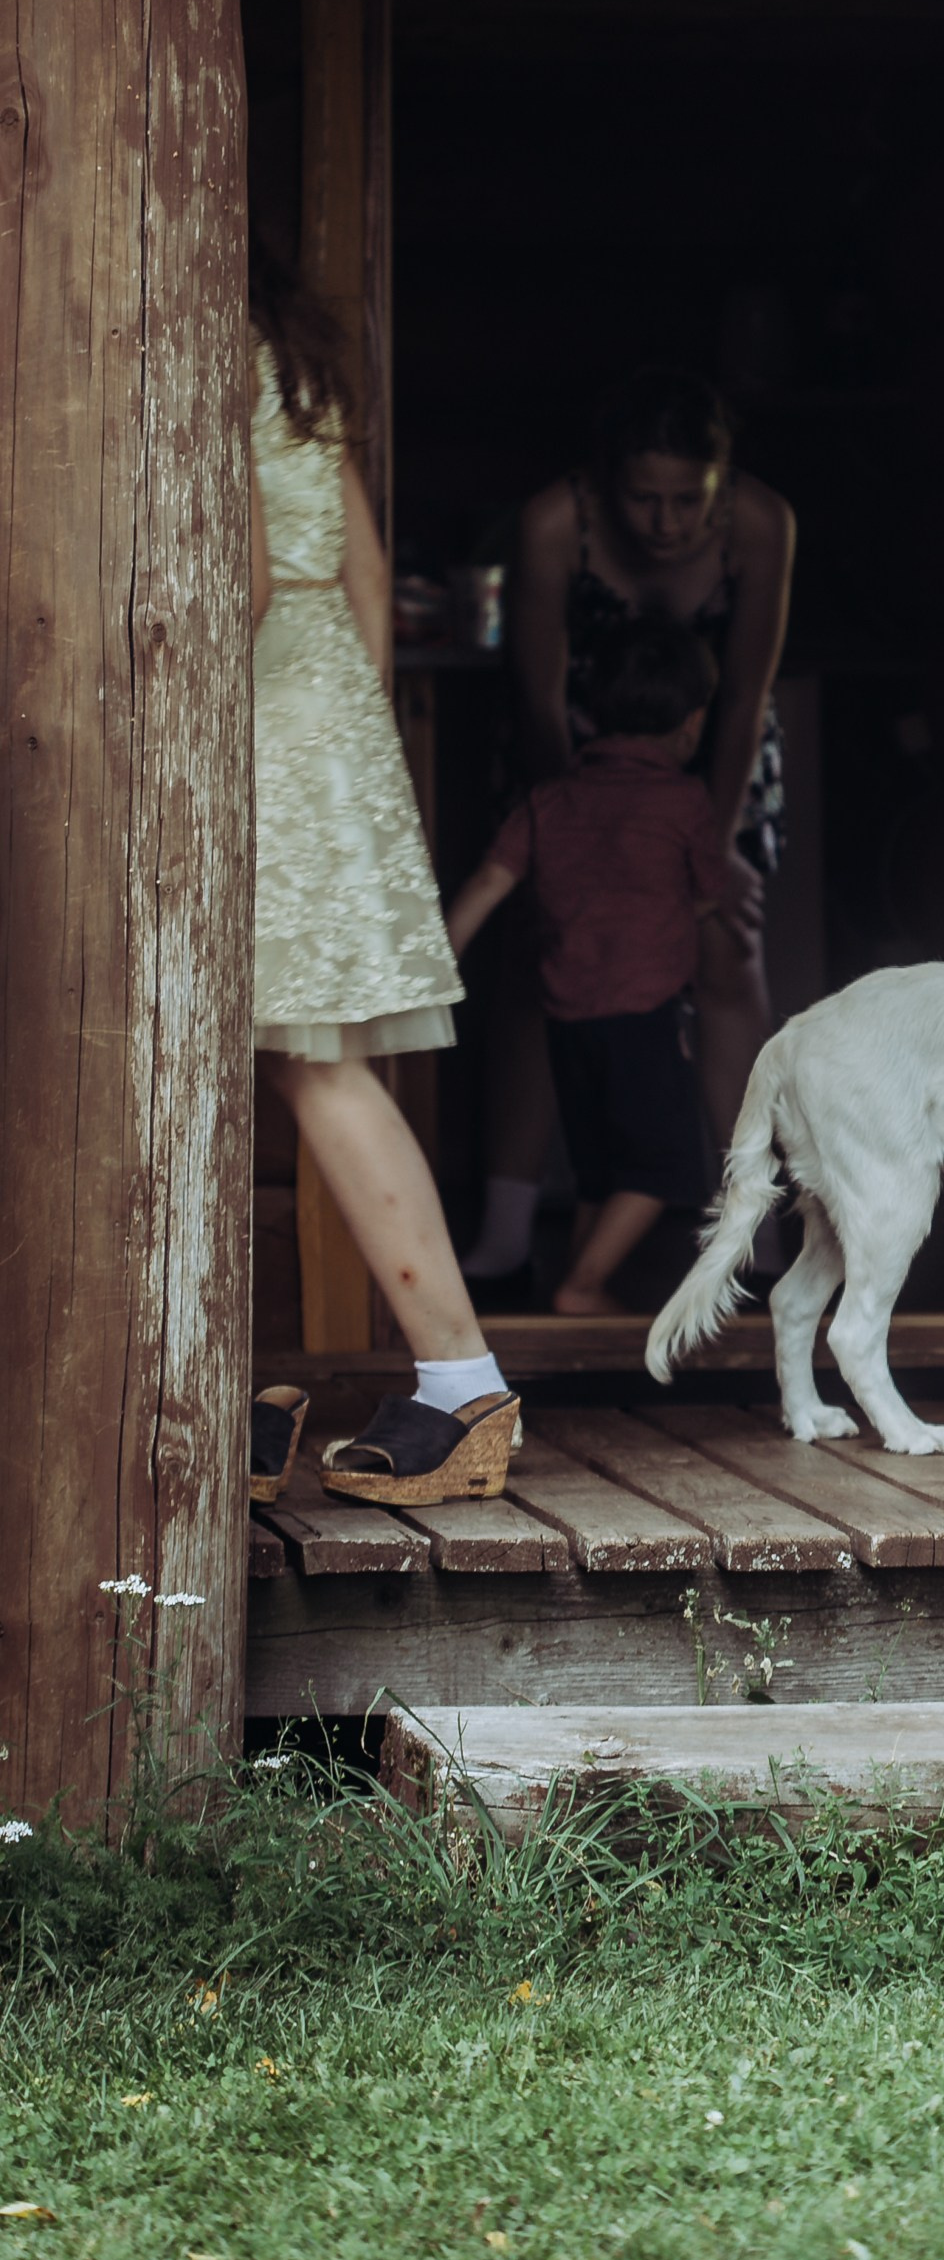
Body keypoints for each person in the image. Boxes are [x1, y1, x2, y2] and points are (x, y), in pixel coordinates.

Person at [247, 236, 518, 1506]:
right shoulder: (288, 366)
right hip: (324, 710)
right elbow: (358, 574)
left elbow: (226, 578)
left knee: (309, 1066)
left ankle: (459, 1387)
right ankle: (267, 1389)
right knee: (304, 1061)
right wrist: (336, 739)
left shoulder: (178, 356)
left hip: (243, 707)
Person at [458, 366, 794, 1279]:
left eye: (689, 500)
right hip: (570, 765)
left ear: (722, 487)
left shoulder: (763, 526)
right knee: (547, 961)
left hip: (709, 769)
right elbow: (536, 698)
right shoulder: (552, 524)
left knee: (728, 955)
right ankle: (504, 1229)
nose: (665, 521)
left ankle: (752, 1229)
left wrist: (705, 848)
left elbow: (742, 701)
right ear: (607, 482)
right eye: (643, 498)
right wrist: (580, 844)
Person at [447, 617, 728, 1316]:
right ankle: (581, 1288)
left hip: (566, 1018)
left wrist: (432, 972)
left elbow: (486, 884)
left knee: (601, 1168)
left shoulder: (548, 801)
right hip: (646, 1011)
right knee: (665, 1166)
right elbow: (706, 898)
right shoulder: (685, 801)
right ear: (692, 725)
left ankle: (579, 1280)